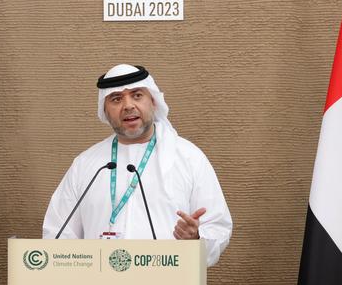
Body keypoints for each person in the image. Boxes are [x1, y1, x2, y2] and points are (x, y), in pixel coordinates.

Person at [42, 64, 232, 266]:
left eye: (137, 95)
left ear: (153, 101)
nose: (128, 106)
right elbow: (58, 233)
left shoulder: (189, 157)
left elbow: (218, 227)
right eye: (116, 99)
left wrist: (195, 239)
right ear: (105, 111)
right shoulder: (86, 164)